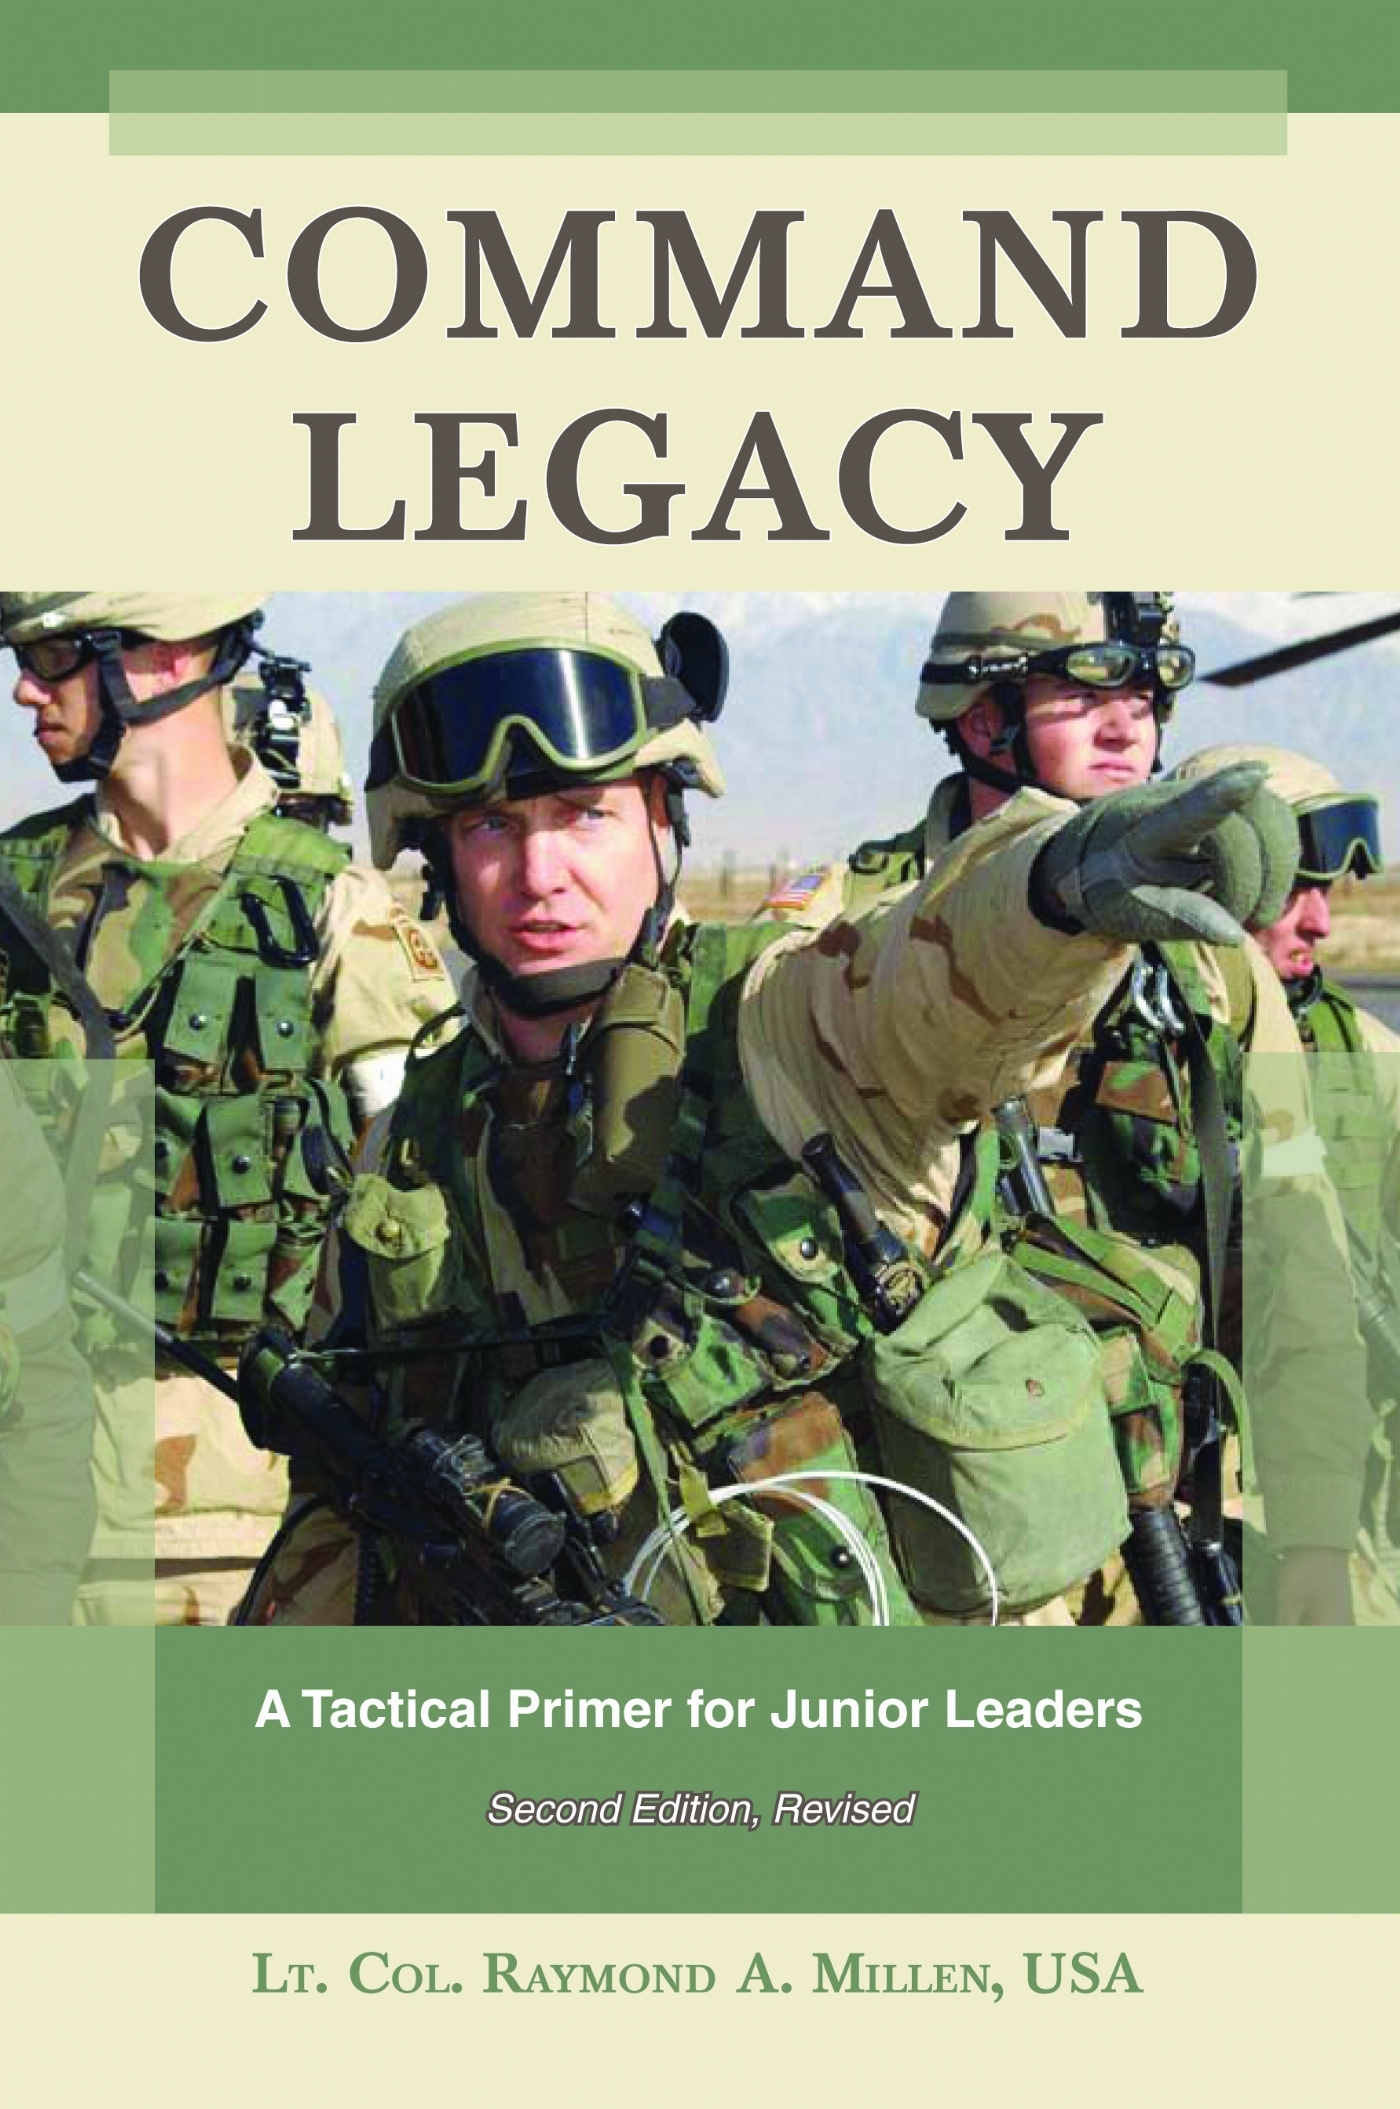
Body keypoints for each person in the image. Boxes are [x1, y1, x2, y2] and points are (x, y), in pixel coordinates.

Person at [245, 590, 1299, 1629]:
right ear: (433, 852)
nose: (540, 873)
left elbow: (931, 978)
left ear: (663, 819)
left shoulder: (777, 1023)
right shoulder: (415, 1141)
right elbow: (349, 1497)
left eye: (585, 815)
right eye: (490, 826)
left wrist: (1062, 888)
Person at [764, 593, 1374, 1623]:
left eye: (1145, 694)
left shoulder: (1209, 963)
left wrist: (1314, 1535)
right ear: (980, 718)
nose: (1125, 725)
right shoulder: (847, 929)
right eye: (1081, 692)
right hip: (944, 1540)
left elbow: (1299, 1262)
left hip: (1165, 1527)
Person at [0, 591, 457, 1625]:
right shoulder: (14, 892)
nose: (25, 688)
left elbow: (427, 1230)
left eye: (57, 654)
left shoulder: (330, 910)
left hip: (242, 1535)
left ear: (168, 658)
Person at [1174, 743, 1400, 1596]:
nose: (1321, 923)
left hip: (1327, 1507)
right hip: (1152, 1505)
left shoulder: (1364, 1055)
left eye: (1328, 891)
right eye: (1294, 889)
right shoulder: (1112, 1057)